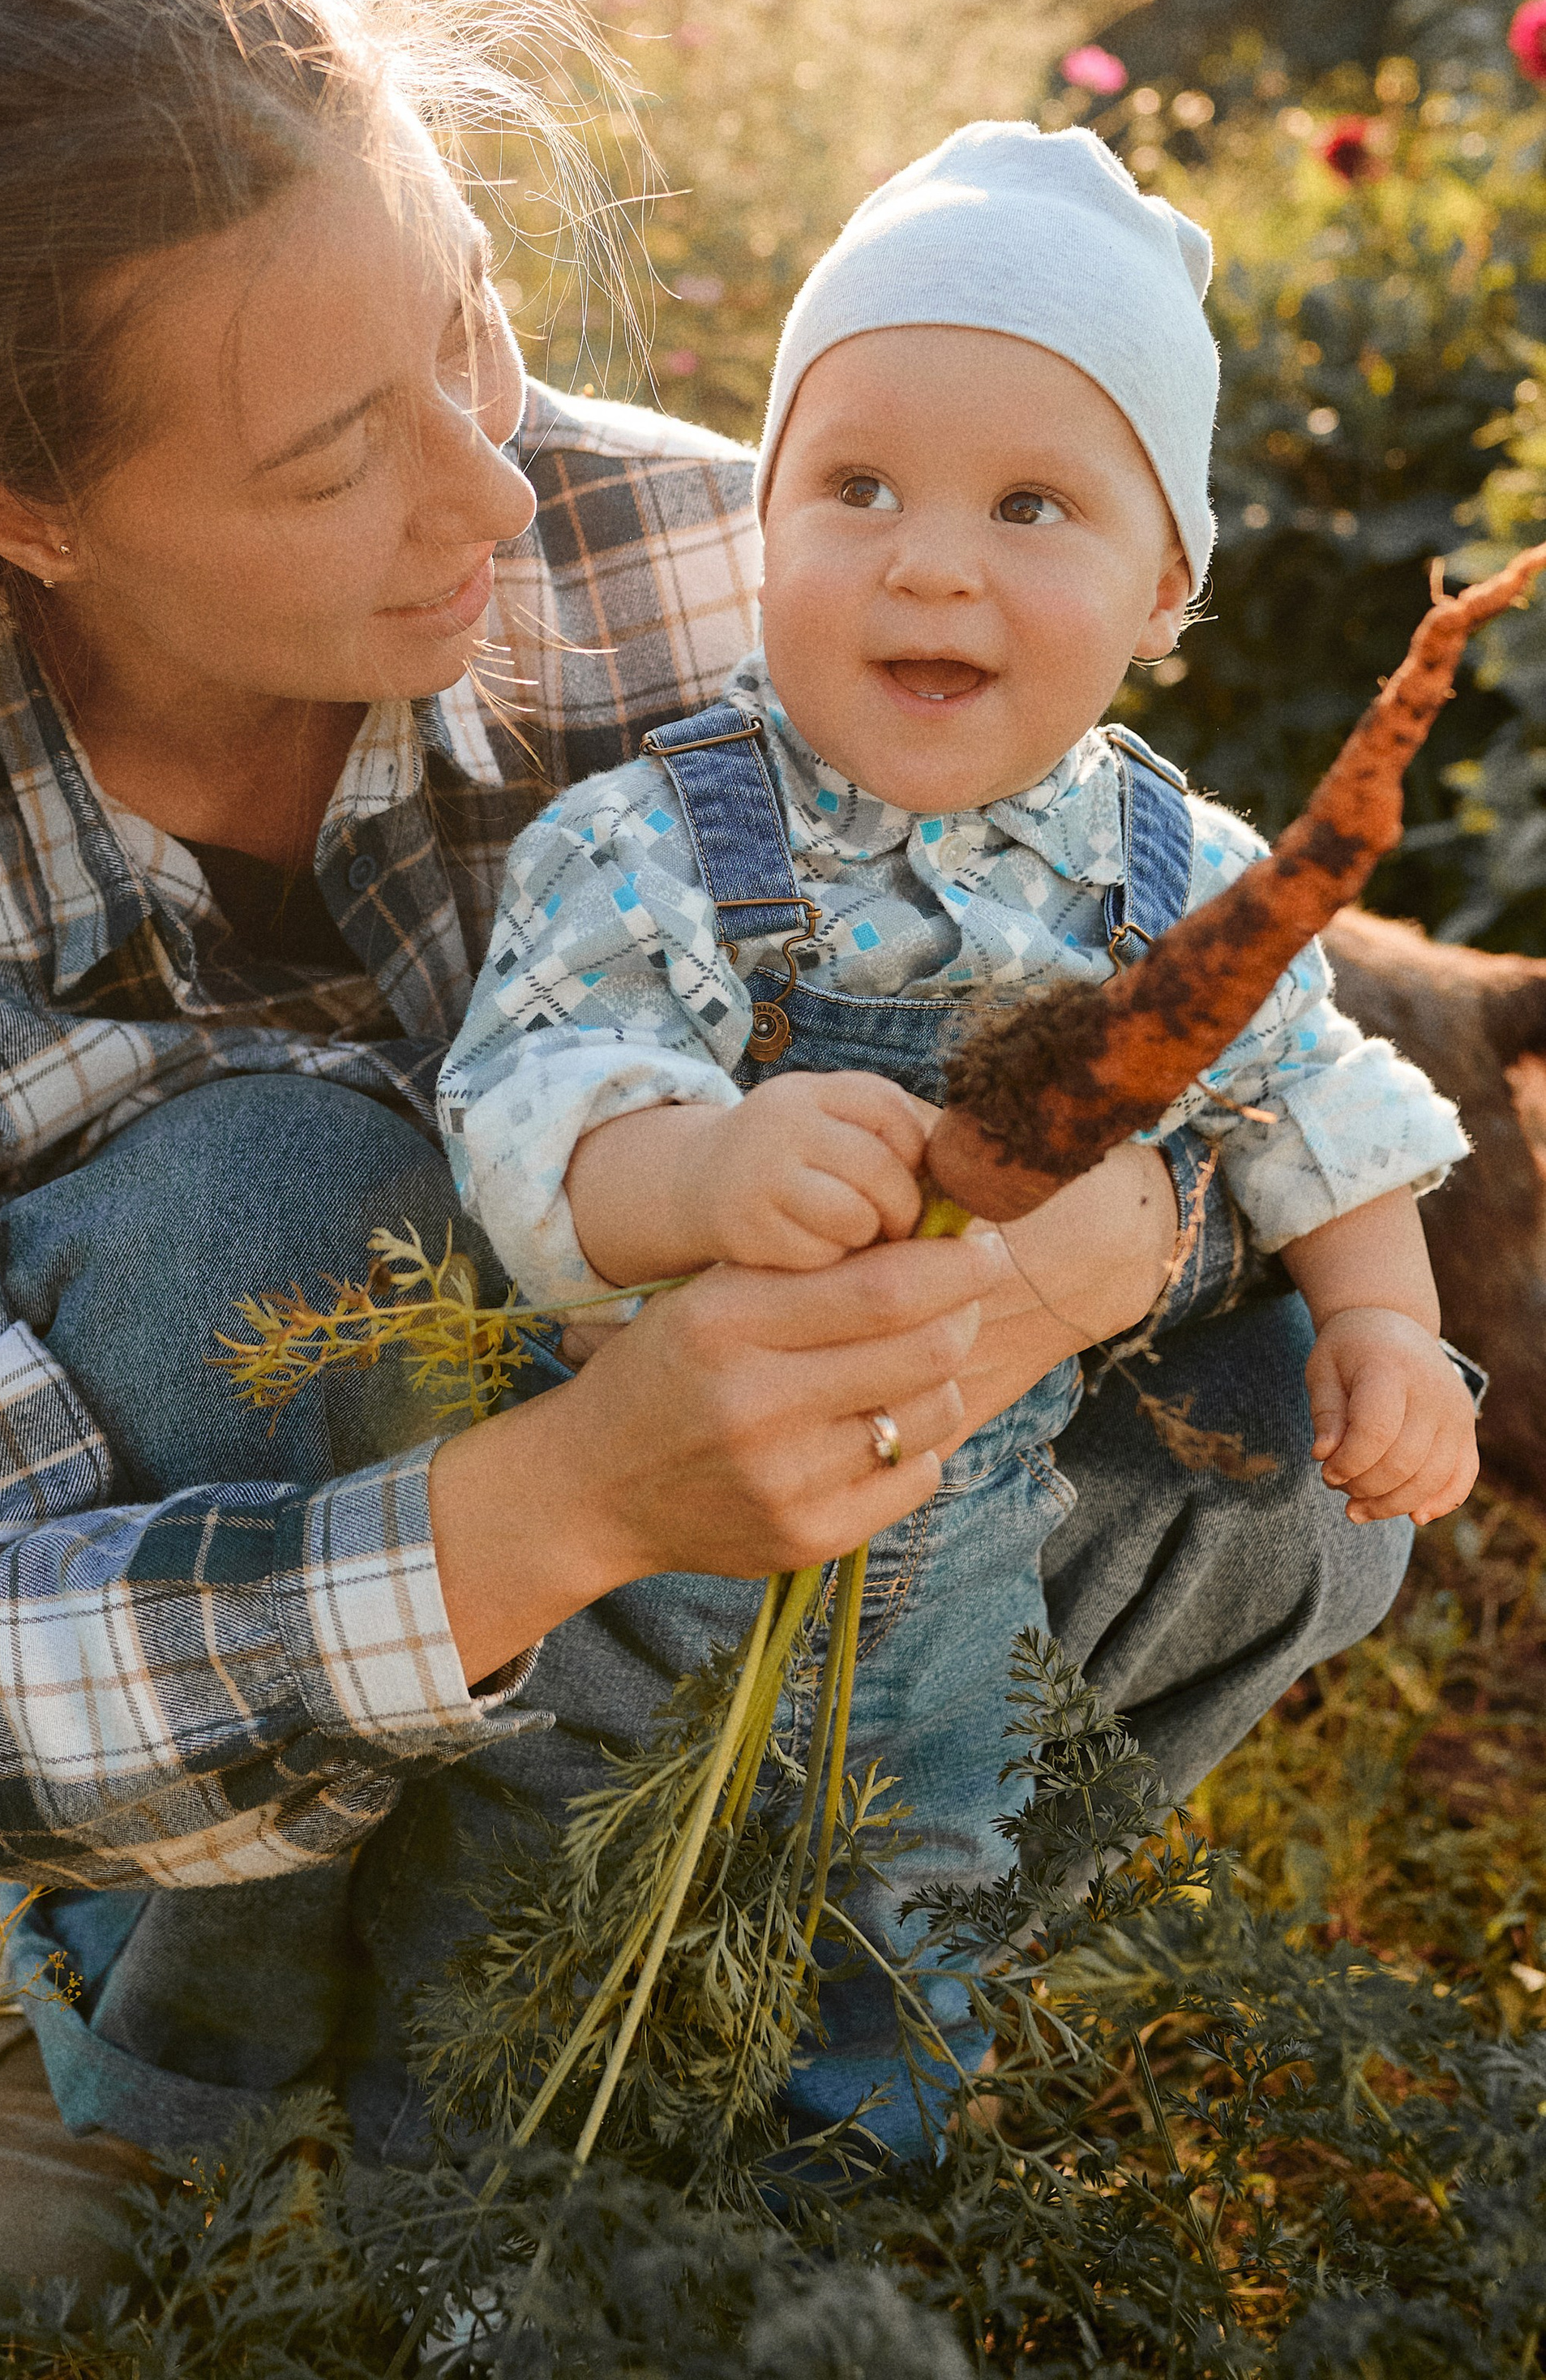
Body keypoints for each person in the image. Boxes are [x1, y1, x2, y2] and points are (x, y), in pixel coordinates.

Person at [0, 0, 1423, 2320]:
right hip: (363, 1634)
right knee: (279, 1204)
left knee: (1297, 1445)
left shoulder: (712, 560)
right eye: (343, 456)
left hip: (793, 1596)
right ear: (24, 514)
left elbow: (1142, 964)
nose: (491, 493)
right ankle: (173, 2019)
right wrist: (566, 1493)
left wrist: (1115, 1248)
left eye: (469, 323)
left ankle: (741, 1978)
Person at [439, 119, 1480, 2156]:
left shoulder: (1186, 875)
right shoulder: (661, 833)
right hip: (665, 1531)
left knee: (915, 1848)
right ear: (762, 531)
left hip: (991, 1545)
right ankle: (491, 2181)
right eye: (854, 488)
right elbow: (528, 1102)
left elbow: (1314, 1114)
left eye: (1027, 502)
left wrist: (1377, 1325)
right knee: (556, 1844)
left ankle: (843, 2165)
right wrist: (692, 1175)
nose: (926, 557)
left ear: (1162, 586)